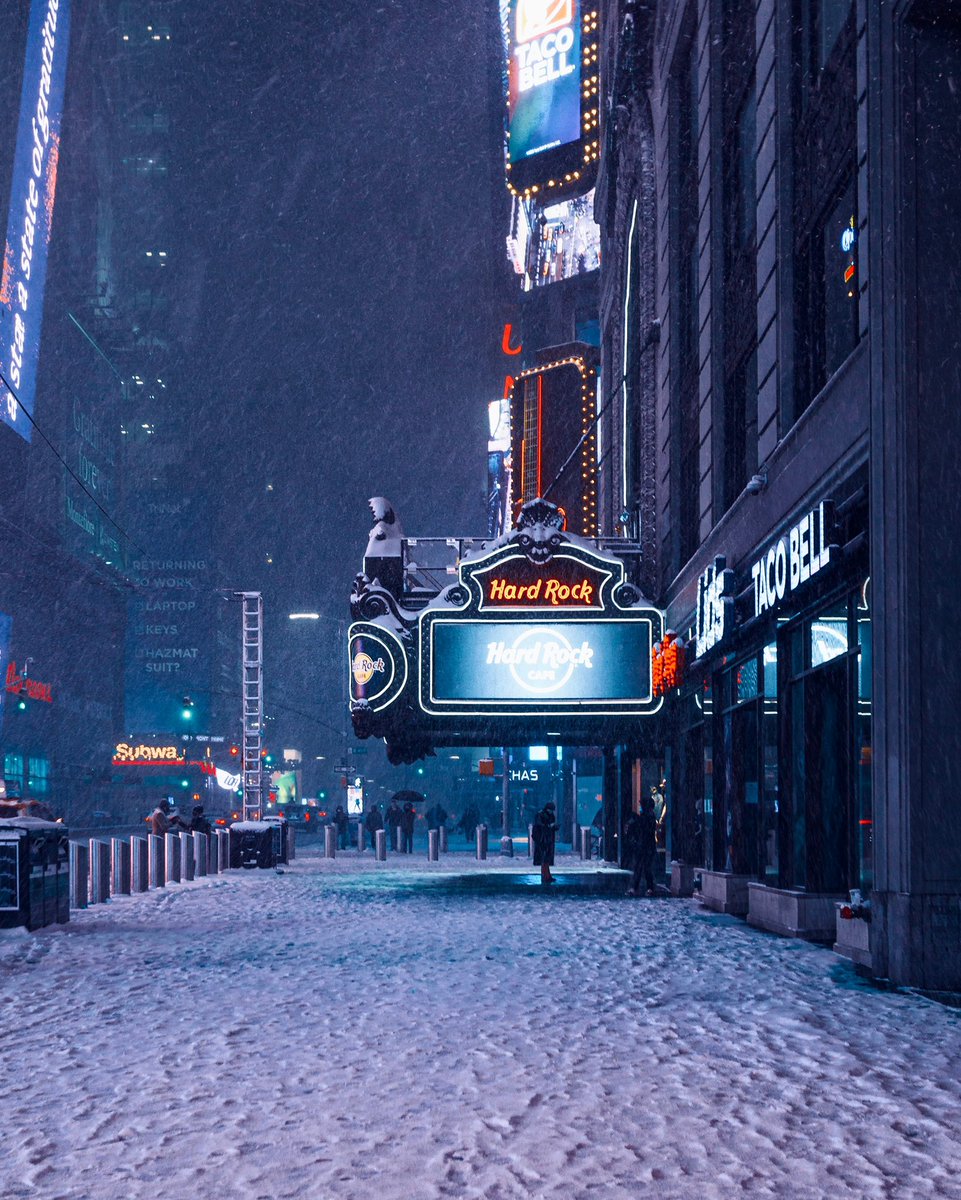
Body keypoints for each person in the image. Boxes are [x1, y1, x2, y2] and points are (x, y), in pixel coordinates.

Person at [625, 793, 658, 896]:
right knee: (644, 868)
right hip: (647, 846)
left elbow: (641, 829)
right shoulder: (649, 818)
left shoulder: (646, 818)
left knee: (641, 868)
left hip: (644, 846)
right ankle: (647, 888)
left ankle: (639, 888)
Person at [532, 801, 558, 885]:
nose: (551, 811)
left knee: (546, 858)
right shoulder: (541, 815)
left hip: (547, 839)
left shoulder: (547, 815)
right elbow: (540, 826)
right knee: (544, 858)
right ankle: (545, 875)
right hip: (543, 839)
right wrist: (548, 826)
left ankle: (547, 875)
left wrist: (553, 827)